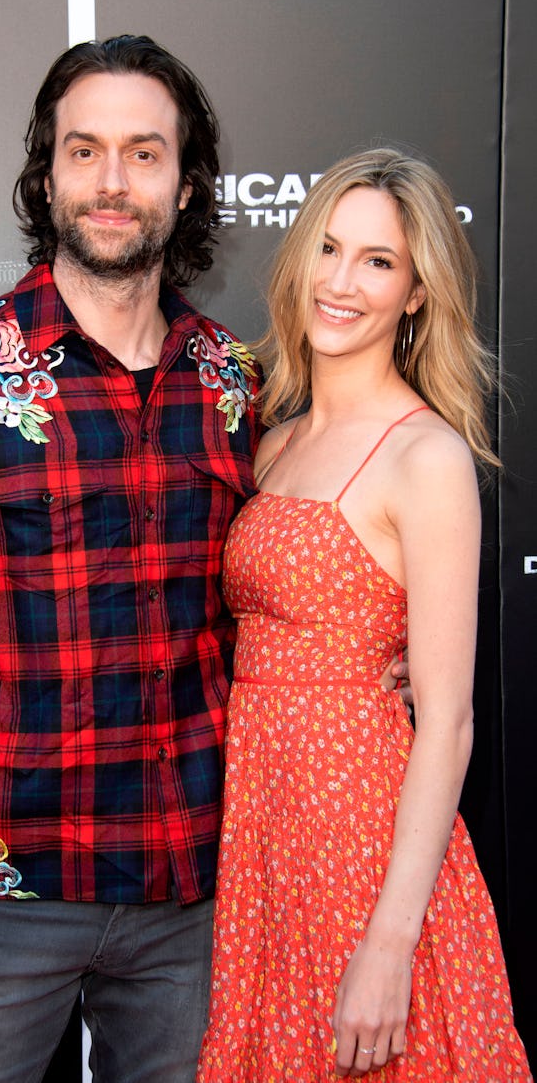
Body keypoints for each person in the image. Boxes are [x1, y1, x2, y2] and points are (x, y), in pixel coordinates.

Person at [0, 34, 262, 1083]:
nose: (111, 181)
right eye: (83, 151)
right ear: (46, 172)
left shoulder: (234, 383)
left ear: (186, 180)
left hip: (195, 894)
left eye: (143, 152)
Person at [197, 148, 532, 1080]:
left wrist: (389, 946)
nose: (342, 283)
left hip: (364, 842)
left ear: (418, 292)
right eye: (330, 249)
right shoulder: (268, 440)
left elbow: (448, 720)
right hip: (264, 838)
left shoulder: (426, 457)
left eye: (378, 262)